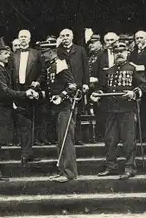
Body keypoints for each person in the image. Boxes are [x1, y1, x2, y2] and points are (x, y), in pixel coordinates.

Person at [0, 37, 39, 181]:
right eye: (6, 53)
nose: (9, 55)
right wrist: (25, 93)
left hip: (1, 108)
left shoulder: (0, 68)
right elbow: (4, 91)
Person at [91, 42, 146, 179]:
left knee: (128, 140)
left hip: (127, 110)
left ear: (127, 52)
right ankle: (111, 167)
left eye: (122, 51)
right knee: (110, 139)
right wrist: (97, 93)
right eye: (116, 52)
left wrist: (133, 94)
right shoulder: (109, 70)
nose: (119, 54)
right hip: (111, 110)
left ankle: (130, 168)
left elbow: (143, 87)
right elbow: (102, 88)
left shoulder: (134, 68)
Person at [40, 40, 78, 183]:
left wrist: (61, 96)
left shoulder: (60, 64)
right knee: (60, 140)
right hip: (57, 109)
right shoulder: (51, 66)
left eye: (44, 53)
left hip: (65, 108)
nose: (42, 56)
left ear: (51, 53)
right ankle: (62, 170)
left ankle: (69, 173)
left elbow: (72, 85)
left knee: (66, 140)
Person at [9, 29, 44, 163]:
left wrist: (37, 84)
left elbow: (42, 72)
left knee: (30, 122)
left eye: (25, 37)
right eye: (21, 37)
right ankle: (25, 153)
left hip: (31, 90)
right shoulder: (13, 55)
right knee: (22, 123)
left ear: (29, 39)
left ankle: (27, 152)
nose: (23, 39)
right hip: (18, 91)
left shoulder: (37, 54)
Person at [57, 29, 90, 145]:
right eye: (62, 36)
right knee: (65, 112)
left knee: (78, 113)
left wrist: (86, 83)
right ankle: (67, 138)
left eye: (67, 35)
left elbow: (86, 68)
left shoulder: (80, 50)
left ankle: (77, 138)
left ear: (72, 37)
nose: (65, 38)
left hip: (78, 85)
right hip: (64, 87)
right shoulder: (58, 51)